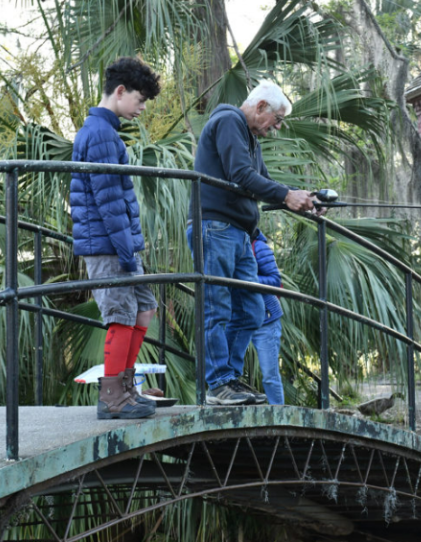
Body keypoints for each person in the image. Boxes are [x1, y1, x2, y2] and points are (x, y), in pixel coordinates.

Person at [187, 80, 316, 405]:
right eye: (277, 119)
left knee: (251, 310)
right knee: (217, 307)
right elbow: (241, 175)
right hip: (214, 227)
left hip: (241, 234)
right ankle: (217, 384)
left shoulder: (250, 139)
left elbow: (265, 182)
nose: (277, 127)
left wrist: (305, 198)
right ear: (260, 107)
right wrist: (286, 196)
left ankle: (229, 377)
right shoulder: (229, 120)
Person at [70, 57, 161, 419]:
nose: (141, 109)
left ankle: (125, 387)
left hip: (119, 244)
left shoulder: (105, 132)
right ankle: (113, 398)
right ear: (120, 92)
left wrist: (132, 249)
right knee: (121, 315)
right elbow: (108, 203)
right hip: (107, 246)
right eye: (139, 100)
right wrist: (127, 252)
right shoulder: (99, 134)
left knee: (144, 308)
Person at [251, 229, 285, 405]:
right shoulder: (230, 246)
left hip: (266, 319)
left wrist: (248, 279)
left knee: (270, 375)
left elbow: (275, 280)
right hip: (242, 319)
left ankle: (280, 419)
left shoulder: (259, 247)